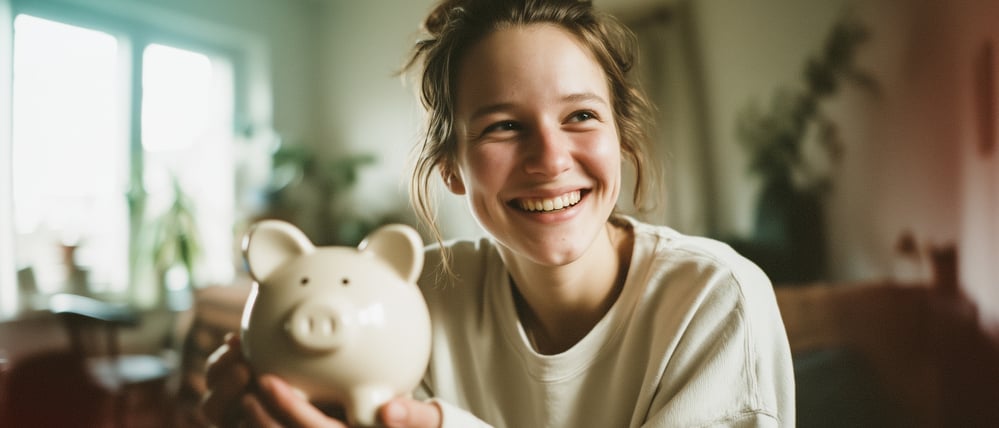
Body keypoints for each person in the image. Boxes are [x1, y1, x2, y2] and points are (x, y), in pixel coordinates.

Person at [201, 0, 796, 426]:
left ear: (623, 137)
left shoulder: (716, 299)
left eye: (581, 116)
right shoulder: (408, 300)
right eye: (503, 126)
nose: (549, 158)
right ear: (452, 167)